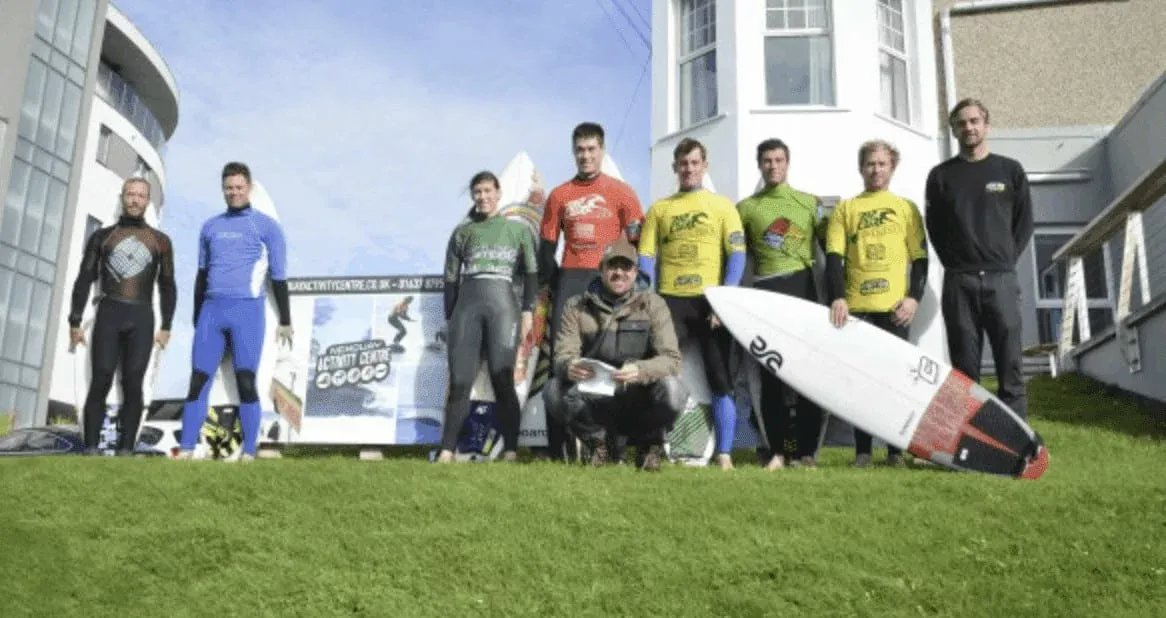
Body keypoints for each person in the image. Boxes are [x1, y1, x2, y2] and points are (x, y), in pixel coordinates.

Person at [637, 137, 747, 470]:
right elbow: (646, 256)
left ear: (704, 166)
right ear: (675, 167)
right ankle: (651, 446)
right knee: (654, 372)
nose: (689, 169)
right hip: (670, 300)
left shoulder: (723, 206)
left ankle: (724, 454)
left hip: (710, 301)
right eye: (683, 164)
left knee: (720, 378)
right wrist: (650, 297)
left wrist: (725, 300)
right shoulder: (660, 209)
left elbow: (737, 254)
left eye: (695, 163)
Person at [538, 121, 645, 461]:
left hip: (608, 282)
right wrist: (550, 287)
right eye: (580, 150)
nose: (585, 156)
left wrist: (636, 286)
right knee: (562, 362)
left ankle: (615, 447)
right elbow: (546, 250)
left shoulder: (622, 192)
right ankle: (558, 450)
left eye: (591, 149)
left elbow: (638, 243)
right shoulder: (559, 195)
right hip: (571, 279)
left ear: (602, 150)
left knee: (612, 361)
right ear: (574, 152)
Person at [175, 162, 292, 462]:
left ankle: (249, 450)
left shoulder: (267, 227)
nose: (234, 192)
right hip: (212, 312)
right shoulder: (210, 227)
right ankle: (187, 448)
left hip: (247, 312)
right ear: (223, 190)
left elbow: (278, 277)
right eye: (229, 188)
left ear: (249, 187)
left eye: (239, 187)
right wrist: (197, 315)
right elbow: (201, 275)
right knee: (198, 380)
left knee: (246, 381)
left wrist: (285, 319)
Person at [925, 99, 1033, 419]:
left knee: (1010, 365)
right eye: (961, 123)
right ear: (953, 130)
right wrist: (959, 263)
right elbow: (936, 229)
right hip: (960, 281)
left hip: (1002, 280)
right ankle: (967, 439)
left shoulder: (1010, 171)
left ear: (987, 126)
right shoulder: (941, 176)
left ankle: (1016, 440)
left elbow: (1024, 224)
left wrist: (1003, 260)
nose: (968, 128)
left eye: (974, 121)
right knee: (964, 371)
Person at [827, 139, 930, 467]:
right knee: (860, 381)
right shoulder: (845, 209)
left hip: (894, 309)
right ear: (861, 168)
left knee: (896, 381)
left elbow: (920, 259)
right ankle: (863, 451)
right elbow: (834, 259)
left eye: (882, 163)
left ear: (892, 167)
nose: (876, 169)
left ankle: (895, 451)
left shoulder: (906, 208)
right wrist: (838, 297)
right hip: (858, 308)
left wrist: (914, 298)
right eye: (870, 164)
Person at [543, 236, 686, 470]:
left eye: (626, 266)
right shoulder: (576, 305)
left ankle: (649, 444)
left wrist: (640, 370)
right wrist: (569, 366)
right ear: (601, 269)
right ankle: (596, 444)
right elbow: (561, 355)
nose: (619, 273)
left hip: (639, 394)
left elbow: (672, 360)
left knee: (674, 389)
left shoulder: (654, 304)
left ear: (635, 272)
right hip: (596, 396)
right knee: (553, 390)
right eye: (612, 266)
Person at [735, 138, 829, 470]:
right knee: (771, 375)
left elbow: (832, 253)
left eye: (778, 160)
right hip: (766, 291)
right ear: (759, 165)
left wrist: (837, 297)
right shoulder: (746, 208)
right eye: (767, 161)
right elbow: (735, 257)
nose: (773, 166)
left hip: (803, 288)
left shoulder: (810, 203)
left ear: (787, 163)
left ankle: (806, 452)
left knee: (806, 375)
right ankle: (777, 450)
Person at [67, 177, 176, 455]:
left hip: (141, 316)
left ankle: (126, 449)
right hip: (109, 313)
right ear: (122, 197)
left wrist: (167, 325)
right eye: (130, 194)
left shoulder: (160, 241)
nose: (135, 200)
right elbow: (85, 278)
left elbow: (167, 285)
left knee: (133, 382)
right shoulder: (102, 237)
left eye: (140, 195)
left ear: (147, 201)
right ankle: (91, 447)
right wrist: (75, 321)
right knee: (101, 378)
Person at [436, 170, 537, 464]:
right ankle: (446, 450)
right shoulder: (462, 232)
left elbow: (532, 273)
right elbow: (450, 279)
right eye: (477, 192)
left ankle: (511, 450)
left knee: (502, 378)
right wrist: (450, 317)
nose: (482, 197)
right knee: (460, 381)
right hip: (467, 308)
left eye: (487, 191)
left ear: (498, 193)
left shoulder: (517, 230)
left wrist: (528, 310)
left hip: (503, 308)